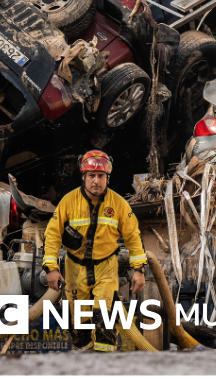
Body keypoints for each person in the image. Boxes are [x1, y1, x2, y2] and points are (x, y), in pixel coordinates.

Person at [43, 150, 147, 352]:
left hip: (106, 269)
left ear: (107, 178)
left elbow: (133, 237)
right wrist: (51, 268)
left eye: (101, 176)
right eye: (91, 175)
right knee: (78, 328)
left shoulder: (118, 204)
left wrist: (139, 271)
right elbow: (52, 235)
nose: (96, 181)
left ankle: (103, 368)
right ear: (83, 177)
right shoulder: (68, 202)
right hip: (74, 270)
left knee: (105, 323)